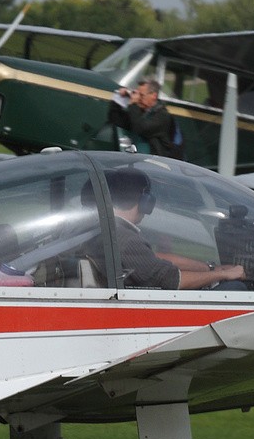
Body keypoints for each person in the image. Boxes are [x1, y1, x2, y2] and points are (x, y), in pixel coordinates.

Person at [103, 169, 245, 289]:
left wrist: (211, 268)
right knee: (236, 287)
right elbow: (172, 280)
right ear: (146, 202)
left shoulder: (109, 230)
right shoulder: (126, 239)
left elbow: (154, 258)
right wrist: (224, 275)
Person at [107, 77, 183, 159]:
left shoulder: (162, 116)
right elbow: (115, 118)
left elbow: (140, 128)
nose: (138, 98)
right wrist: (119, 98)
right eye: (137, 94)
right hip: (136, 161)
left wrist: (134, 104)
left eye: (141, 95)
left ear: (154, 96)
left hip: (154, 163)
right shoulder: (138, 113)